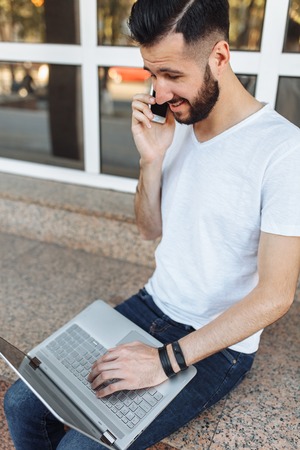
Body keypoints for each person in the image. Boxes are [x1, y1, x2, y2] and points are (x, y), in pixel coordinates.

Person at [4, 1, 300, 449]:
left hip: (217, 345)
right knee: (22, 401)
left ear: (219, 57)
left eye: (172, 75)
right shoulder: (177, 123)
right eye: (150, 73)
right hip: (152, 304)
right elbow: (148, 229)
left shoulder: (283, 152)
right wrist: (152, 160)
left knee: (81, 446)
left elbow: (276, 295)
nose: (159, 93)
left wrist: (164, 361)